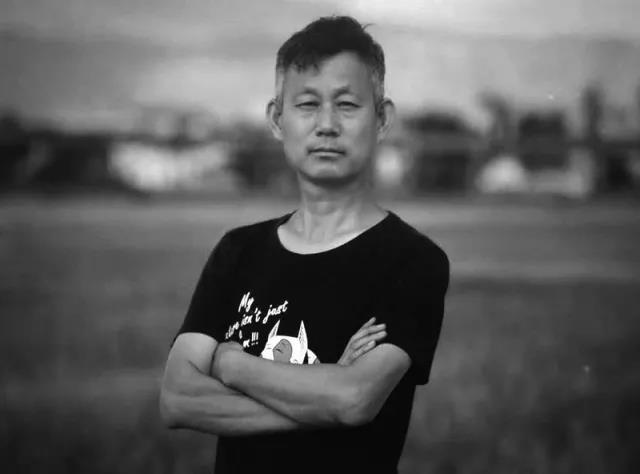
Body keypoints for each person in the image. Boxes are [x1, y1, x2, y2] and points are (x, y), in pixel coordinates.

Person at [160, 15, 450, 474]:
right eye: (308, 104)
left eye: (347, 104)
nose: (327, 125)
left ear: (382, 119)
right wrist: (323, 394)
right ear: (278, 119)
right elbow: (178, 398)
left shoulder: (413, 261)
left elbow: (354, 399)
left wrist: (232, 366)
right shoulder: (238, 251)